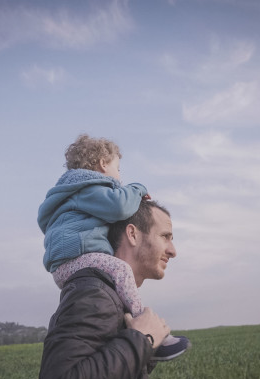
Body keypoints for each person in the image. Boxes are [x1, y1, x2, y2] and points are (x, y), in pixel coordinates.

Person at [36, 134, 189, 361]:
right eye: (118, 169)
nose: (119, 177)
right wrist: (138, 188)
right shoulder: (86, 188)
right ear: (103, 164)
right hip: (74, 261)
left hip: (64, 265)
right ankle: (145, 325)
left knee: (118, 279)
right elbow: (119, 206)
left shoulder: (71, 196)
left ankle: (134, 330)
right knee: (121, 271)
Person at [28, 199, 178, 379]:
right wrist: (142, 340)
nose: (173, 251)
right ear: (132, 234)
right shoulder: (94, 293)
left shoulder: (113, 296)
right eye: (165, 236)